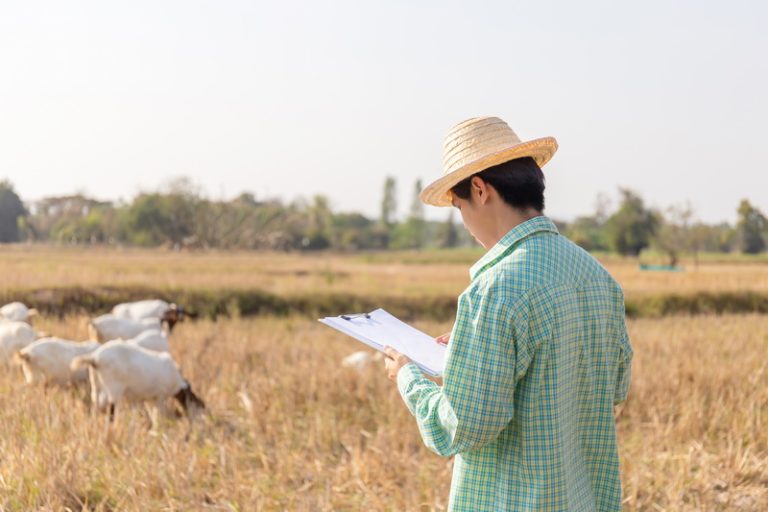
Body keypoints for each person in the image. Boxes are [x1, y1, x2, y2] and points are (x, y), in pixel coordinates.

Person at [383, 116, 633, 511]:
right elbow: (614, 389)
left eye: (458, 205)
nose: (464, 222)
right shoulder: (597, 277)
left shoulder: (495, 289)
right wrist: (471, 353)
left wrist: (409, 376)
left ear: (480, 190)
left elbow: (462, 429)